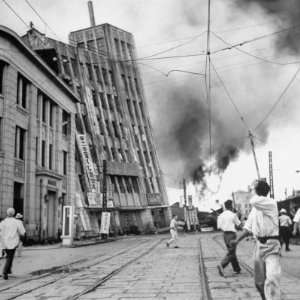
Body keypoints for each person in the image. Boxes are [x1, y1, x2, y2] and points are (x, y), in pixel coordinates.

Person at [231, 180, 281, 300]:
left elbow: (253, 200)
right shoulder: (255, 210)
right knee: (259, 283)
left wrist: (254, 189)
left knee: (272, 278)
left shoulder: (271, 203)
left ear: (258, 191)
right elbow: (247, 228)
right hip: (259, 245)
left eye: (254, 189)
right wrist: (237, 240)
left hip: (272, 245)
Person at [217, 199, 242, 276]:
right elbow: (239, 225)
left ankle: (237, 269)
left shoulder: (220, 215)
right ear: (231, 206)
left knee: (231, 251)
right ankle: (222, 265)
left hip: (225, 235)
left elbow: (219, 227)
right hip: (232, 234)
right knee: (231, 252)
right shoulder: (233, 215)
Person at [0, 208, 25, 280]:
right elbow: (22, 232)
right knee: (10, 257)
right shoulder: (17, 222)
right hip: (13, 242)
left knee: (8, 256)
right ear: (13, 213)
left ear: (7, 213)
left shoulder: (3, 222)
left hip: (4, 242)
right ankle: (5, 271)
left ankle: (8, 270)